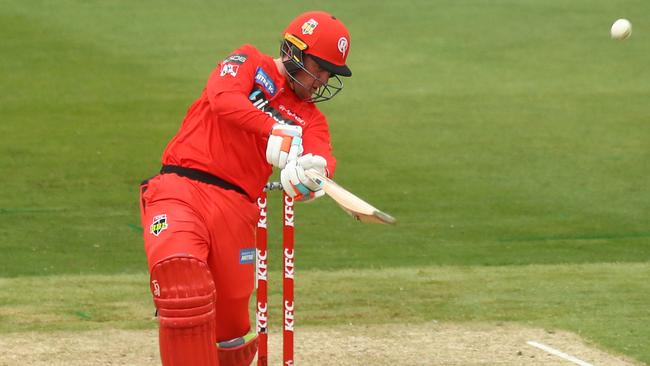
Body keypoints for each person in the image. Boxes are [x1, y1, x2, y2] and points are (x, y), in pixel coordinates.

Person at [138, 10, 352, 366]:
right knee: (182, 283)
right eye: (321, 67)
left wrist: (313, 175)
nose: (322, 80)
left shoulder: (311, 118)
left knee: (231, 336)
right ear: (295, 52)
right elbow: (223, 98)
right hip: (182, 189)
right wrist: (272, 129)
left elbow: (321, 155)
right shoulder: (250, 61)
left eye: (330, 74)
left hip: (237, 211)